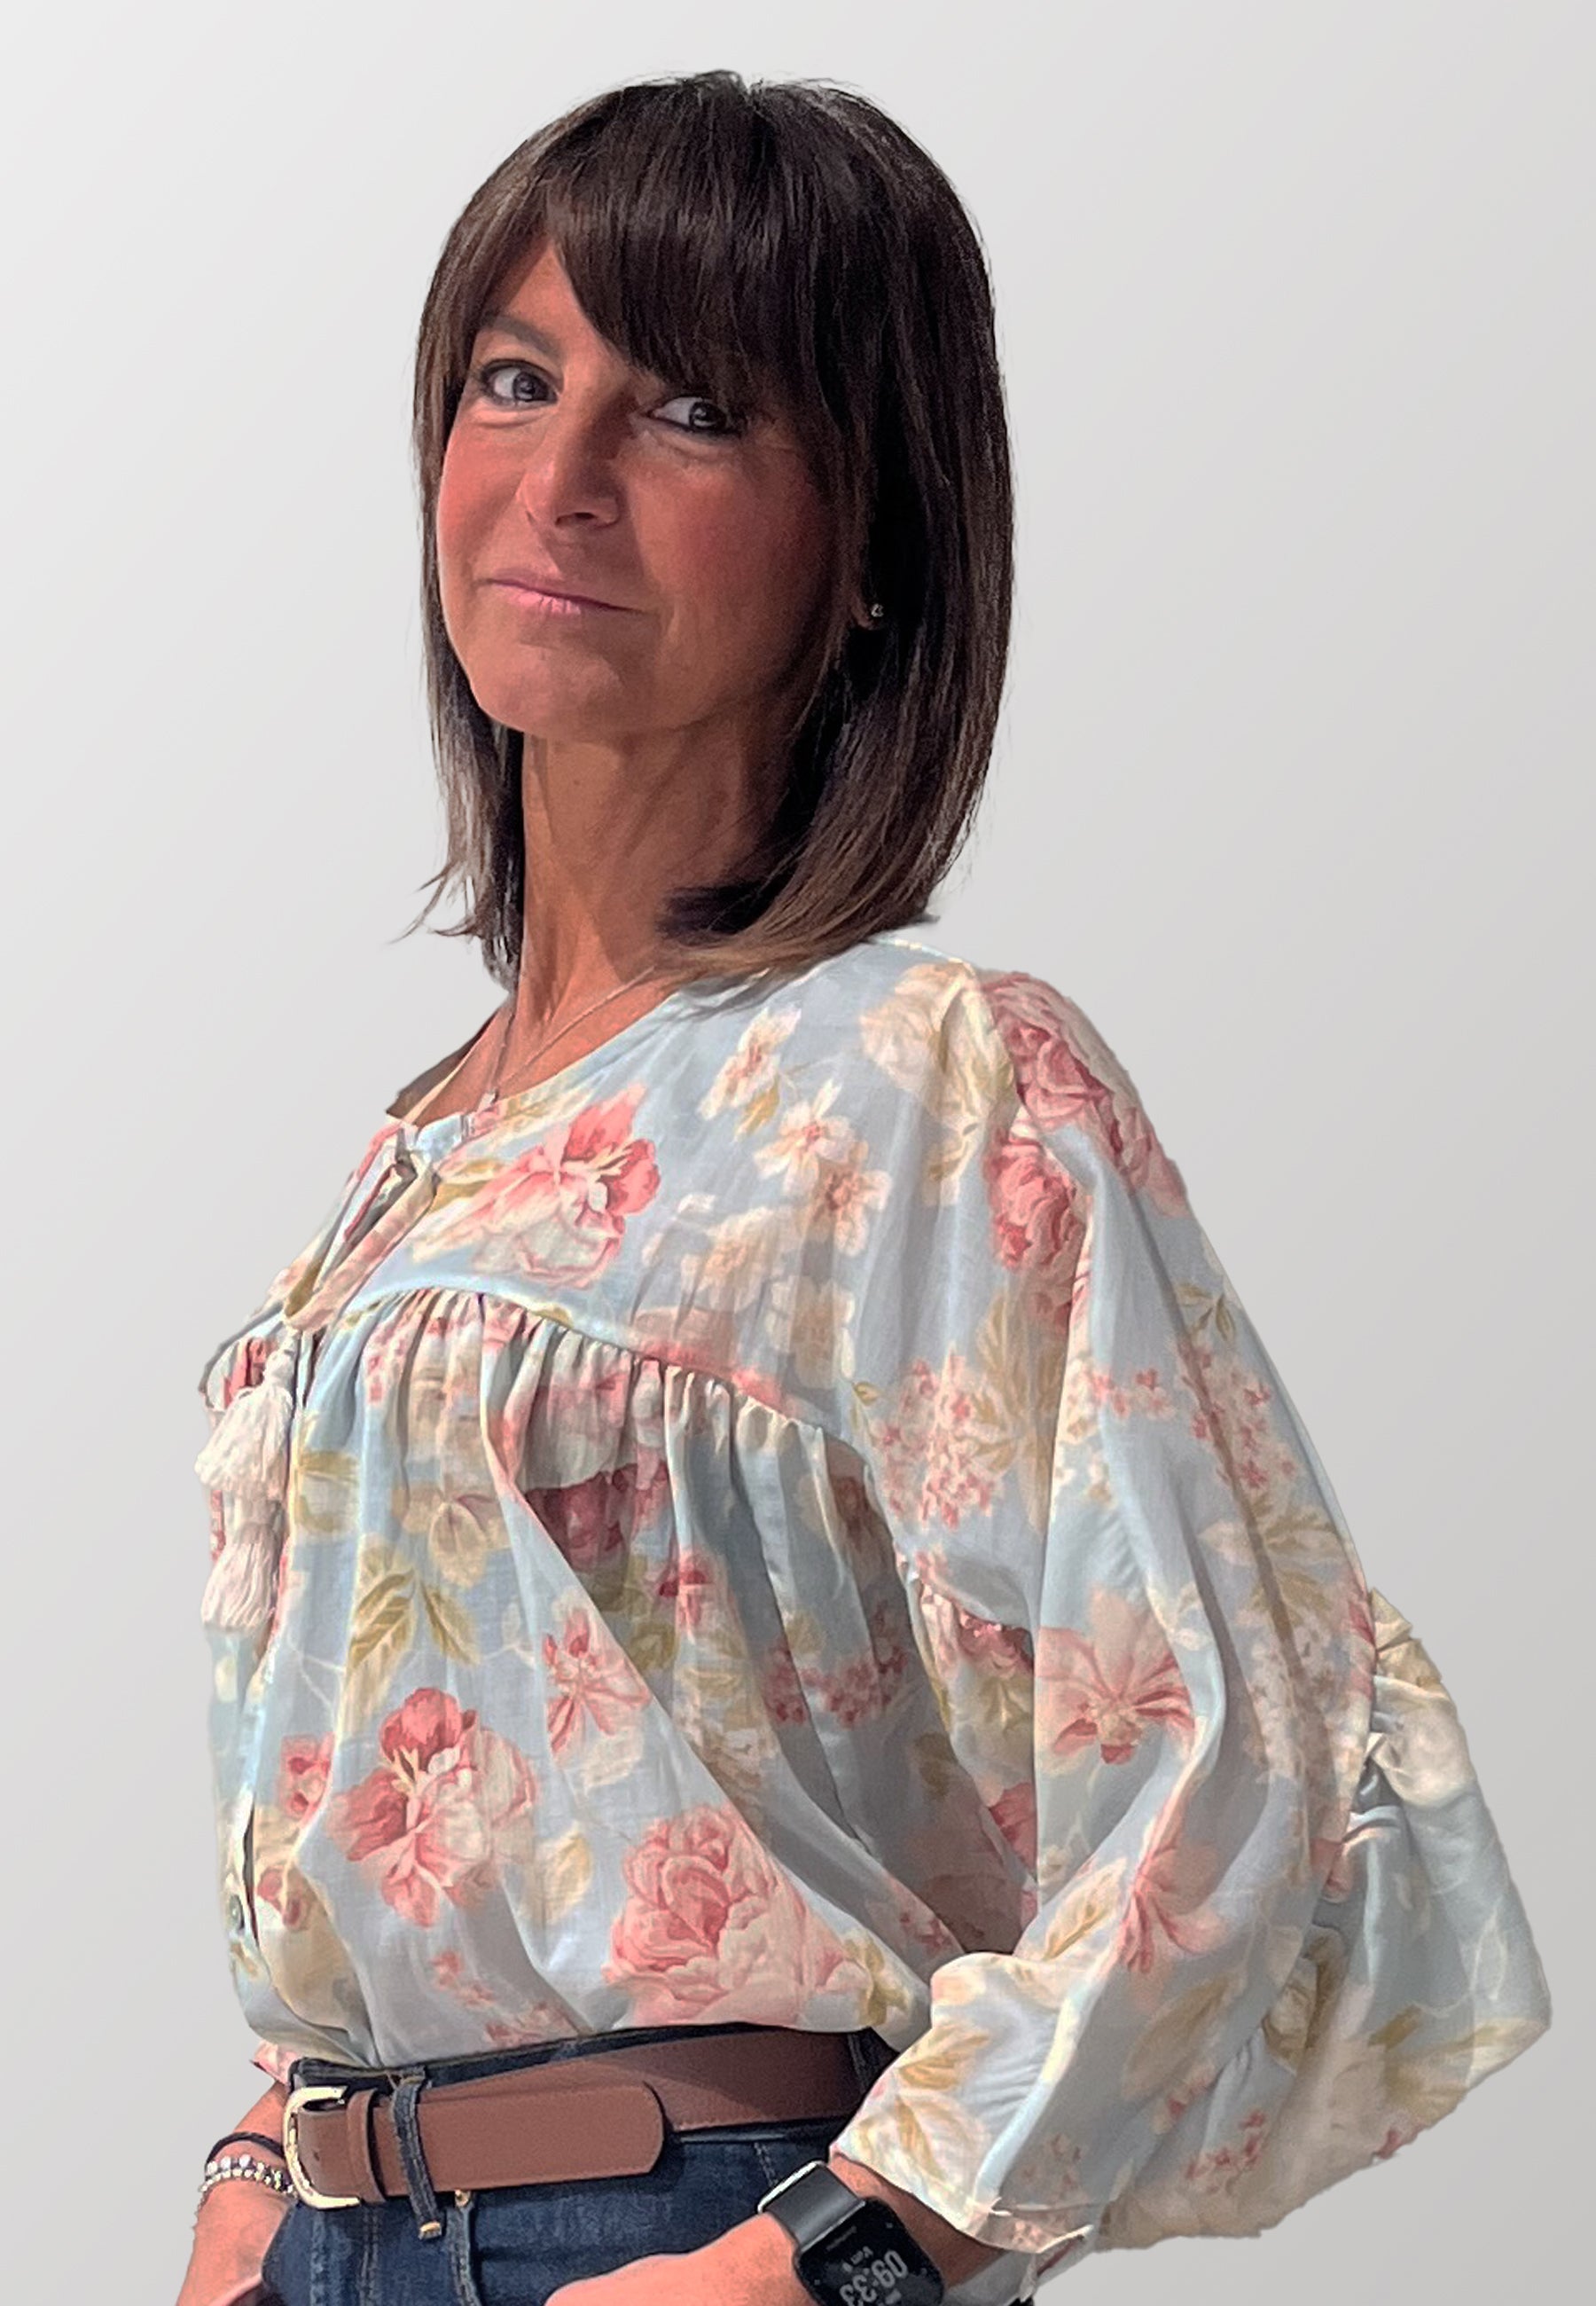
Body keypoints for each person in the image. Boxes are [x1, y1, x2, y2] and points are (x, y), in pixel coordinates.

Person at [174, 67, 1550, 2306]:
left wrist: (824, 2261)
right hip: (336, 2241)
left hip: (678, 2228)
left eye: (691, 409)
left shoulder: (928, 1084)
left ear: (870, 534)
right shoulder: (416, 1160)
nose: (563, 476)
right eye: (515, 379)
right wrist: (260, 2162)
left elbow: (1239, 1764)